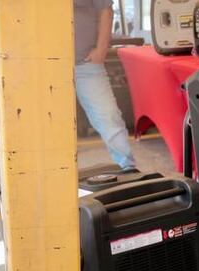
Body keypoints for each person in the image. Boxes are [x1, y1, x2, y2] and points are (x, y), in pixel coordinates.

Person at [74, 0, 136, 171]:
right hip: (45, 66)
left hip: (85, 64)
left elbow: (105, 10)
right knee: (48, 123)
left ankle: (128, 167)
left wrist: (101, 50)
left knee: (108, 116)